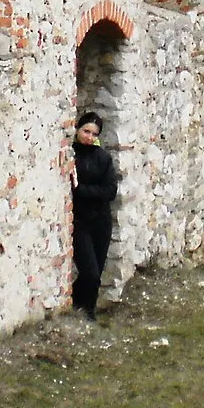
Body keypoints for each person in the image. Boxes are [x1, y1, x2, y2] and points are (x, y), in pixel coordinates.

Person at [70, 110, 118, 321]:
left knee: (95, 275)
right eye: (86, 131)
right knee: (89, 272)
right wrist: (88, 192)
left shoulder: (103, 158)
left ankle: (87, 311)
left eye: (94, 134)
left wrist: (82, 190)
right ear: (78, 130)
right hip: (80, 223)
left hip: (101, 222)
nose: (89, 137)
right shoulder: (71, 155)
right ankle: (81, 310)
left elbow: (110, 191)